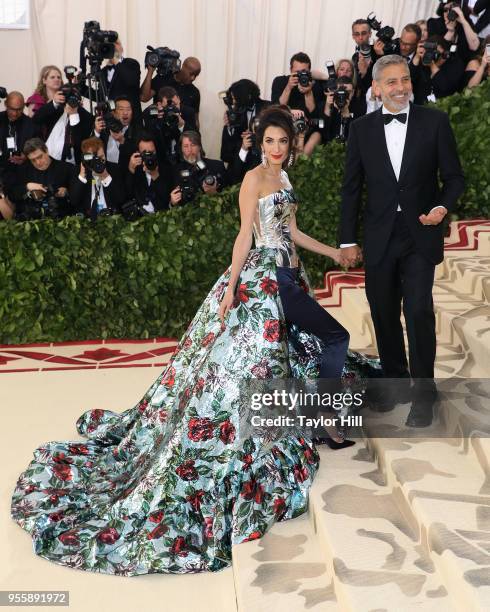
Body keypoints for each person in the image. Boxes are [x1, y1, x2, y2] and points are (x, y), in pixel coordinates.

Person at [10, 105, 377, 576]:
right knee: (282, 357)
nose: (277, 150)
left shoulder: (285, 181)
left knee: (313, 348)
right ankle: (315, 424)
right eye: (270, 142)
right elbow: (246, 236)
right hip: (264, 284)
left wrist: (335, 252)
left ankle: (315, 419)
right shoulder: (253, 180)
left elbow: (293, 232)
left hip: (289, 277)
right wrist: (232, 290)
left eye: (284, 142)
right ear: (259, 142)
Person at [339, 55, 465, 427]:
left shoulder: (435, 121)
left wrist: (443, 207)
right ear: (376, 88)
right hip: (379, 236)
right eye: (391, 82)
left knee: (418, 311)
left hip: (420, 233)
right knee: (383, 312)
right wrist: (347, 240)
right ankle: (395, 383)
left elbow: (454, 178)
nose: (400, 88)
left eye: (404, 80)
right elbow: (352, 190)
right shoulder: (361, 129)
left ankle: (424, 394)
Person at [70, 137, 125, 218]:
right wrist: (82, 177)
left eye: (101, 157)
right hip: (88, 219)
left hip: (112, 217)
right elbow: (74, 201)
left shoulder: (114, 169)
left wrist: (106, 177)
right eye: (95, 159)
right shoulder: (78, 171)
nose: (99, 162)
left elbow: (121, 199)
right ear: (86, 158)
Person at [140, 56, 202, 127]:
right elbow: (143, 98)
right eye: (191, 74)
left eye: (196, 75)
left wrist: (195, 134)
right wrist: (150, 71)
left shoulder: (194, 92)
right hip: (159, 130)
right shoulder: (163, 78)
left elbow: (195, 120)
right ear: (183, 68)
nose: (193, 78)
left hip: (181, 133)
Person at [171, 130, 228, 206]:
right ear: (181, 149)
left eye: (193, 145)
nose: (190, 150)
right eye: (186, 146)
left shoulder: (217, 166)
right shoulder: (175, 171)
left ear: (199, 147)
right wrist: (172, 203)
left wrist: (214, 193)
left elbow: (228, 197)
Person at [126, 134, 172, 212]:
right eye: (145, 153)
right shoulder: (135, 169)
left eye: (151, 152)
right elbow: (127, 195)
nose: (149, 157)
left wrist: (155, 175)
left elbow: (167, 199)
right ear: (138, 153)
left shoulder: (166, 168)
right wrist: (131, 170)